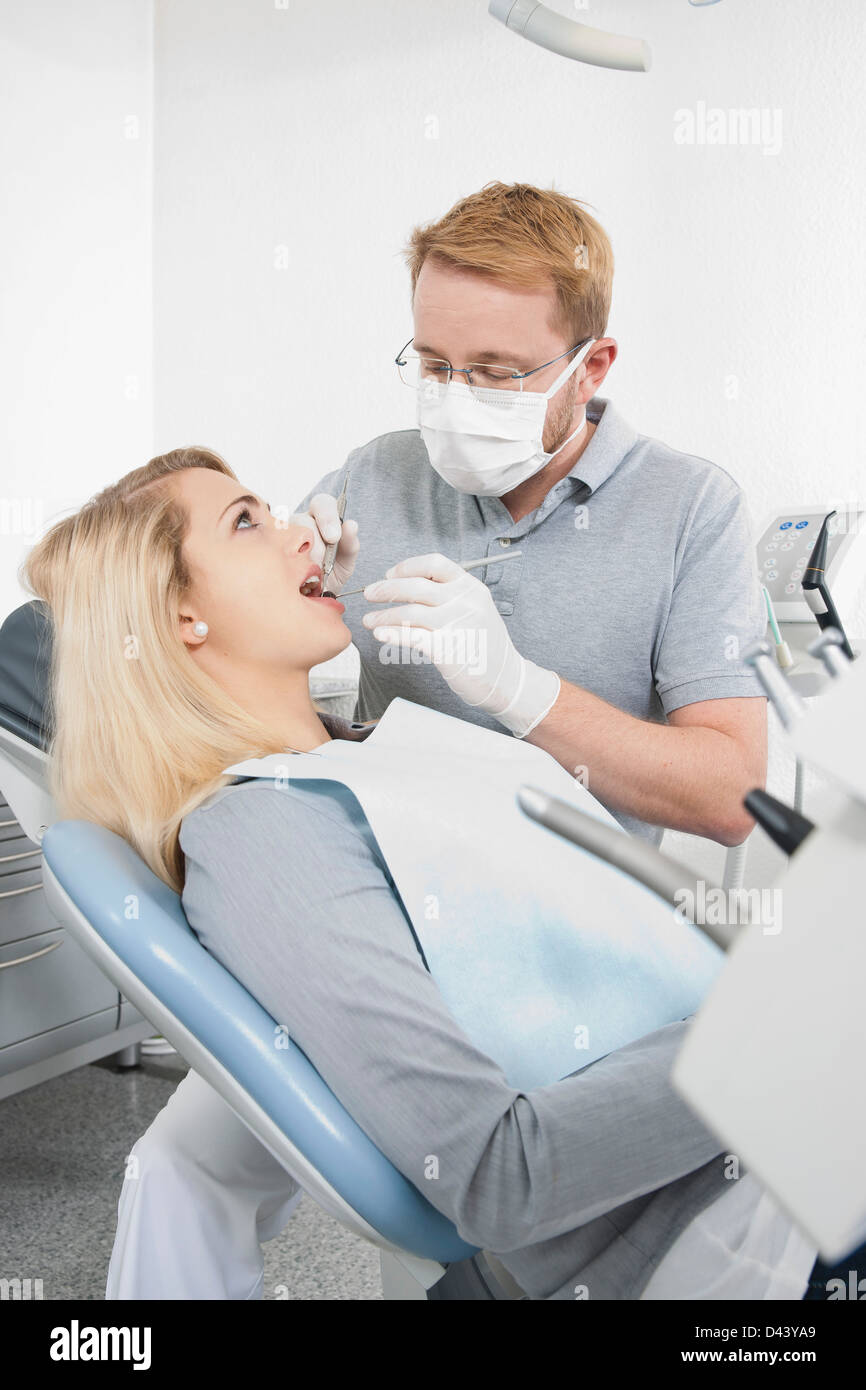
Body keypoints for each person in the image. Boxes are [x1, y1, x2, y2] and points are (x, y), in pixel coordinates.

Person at [21, 449, 817, 1300]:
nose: (301, 535)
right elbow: (500, 1177)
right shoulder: (262, 833)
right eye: (249, 521)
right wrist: (785, 1031)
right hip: (726, 1229)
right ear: (181, 616)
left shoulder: (368, 751)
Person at [293, 180, 768, 846]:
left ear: (591, 367)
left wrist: (522, 692)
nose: (455, 399)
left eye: (497, 373)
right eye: (434, 364)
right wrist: (308, 599)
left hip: (580, 919)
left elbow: (734, 799)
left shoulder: (692, 509)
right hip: (391, 891)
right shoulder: (372, 476)